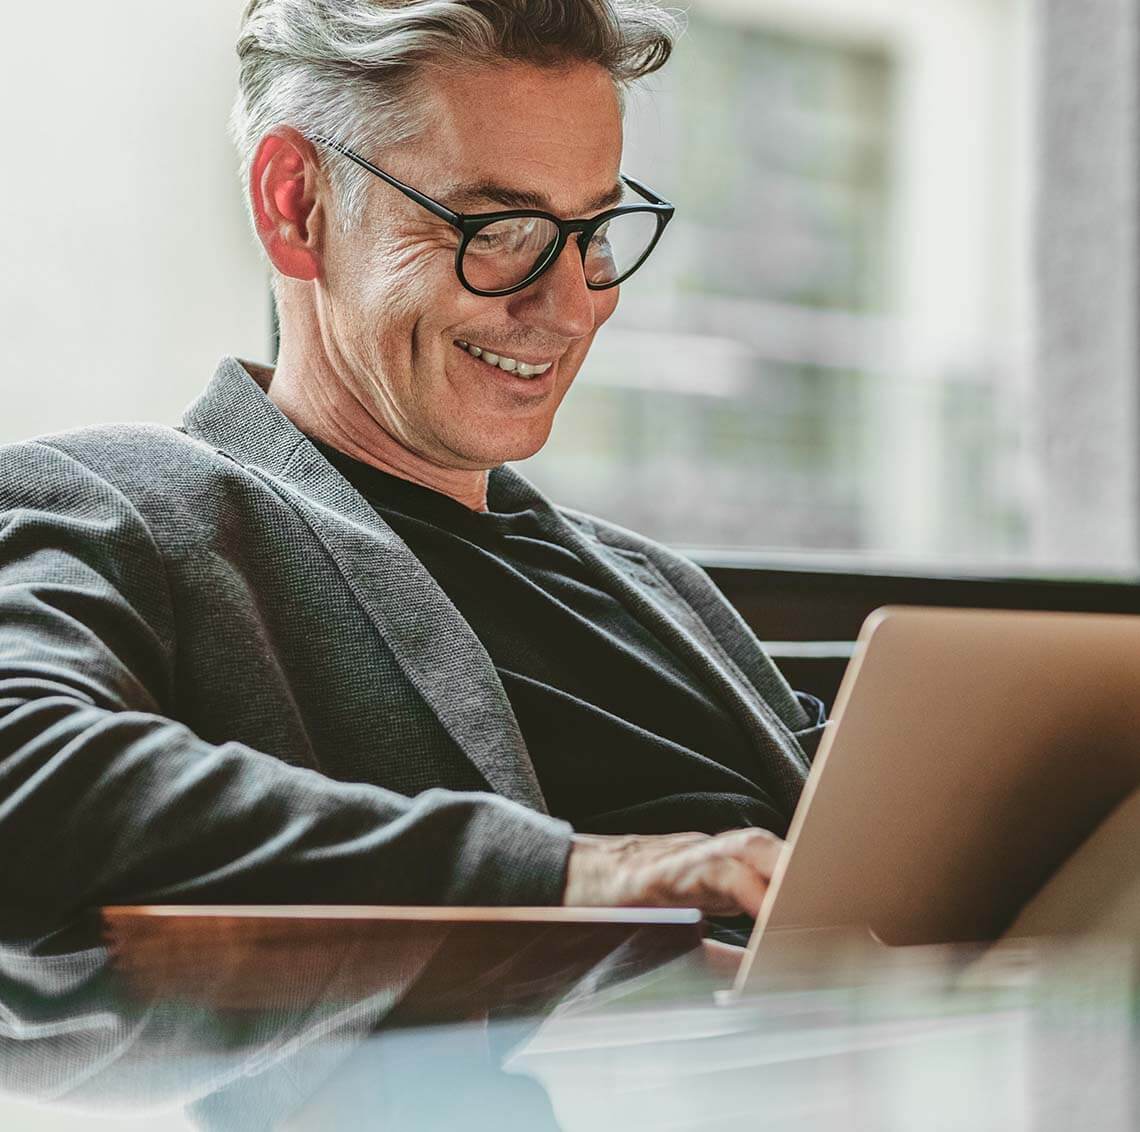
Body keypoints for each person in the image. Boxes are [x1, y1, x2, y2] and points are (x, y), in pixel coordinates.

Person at [0, 0, 826, 946]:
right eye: (500, 228)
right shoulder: (119, 511)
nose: (569, 310)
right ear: (295, 205)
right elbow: (20, 780)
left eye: (593, 231)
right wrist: (574, 874)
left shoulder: (659, 588)